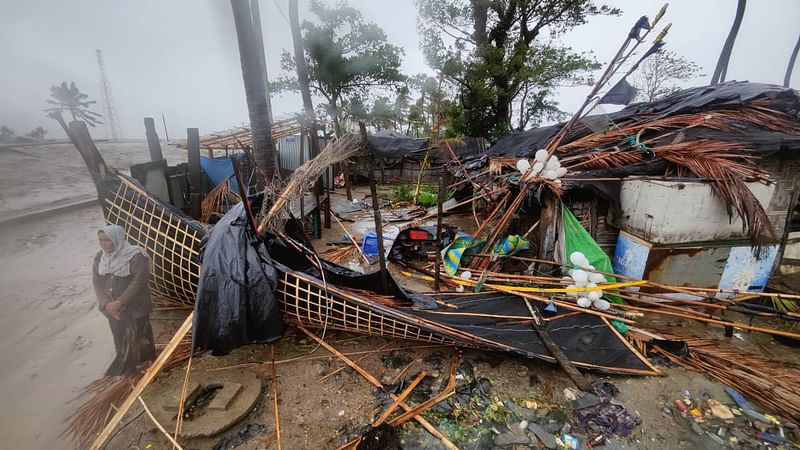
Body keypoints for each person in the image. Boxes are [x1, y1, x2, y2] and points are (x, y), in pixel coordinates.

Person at [92, 224, 156, 375]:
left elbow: (139, 282)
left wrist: (120, 302)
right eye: (101, 240)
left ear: (117, 239)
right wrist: (107, 304)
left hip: (136, 306)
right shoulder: (100, 257)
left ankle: (147, 367)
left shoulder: (135, 255)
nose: (104, 244)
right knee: (120, 337)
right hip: (113, 309)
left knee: (142, 337)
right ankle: (127, 369)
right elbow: (97, 282)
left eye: (107, 240)